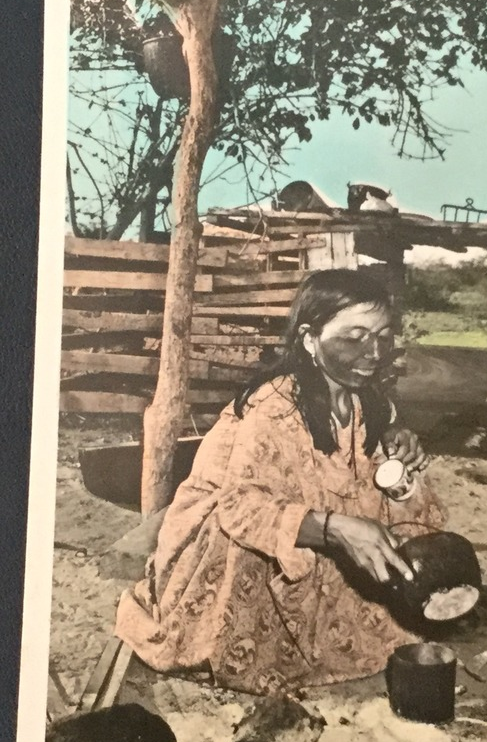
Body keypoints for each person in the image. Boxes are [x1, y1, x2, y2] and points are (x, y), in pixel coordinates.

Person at [116, 269, 447, 695]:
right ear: (310, 339)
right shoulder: (275, 405)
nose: (373, 351)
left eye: (383, 337)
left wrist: (400, 463)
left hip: (300, 524)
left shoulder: (365, 399)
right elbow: (241, 507)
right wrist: (336, 528)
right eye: (355, 336)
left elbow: (360, 481)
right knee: (242, 545)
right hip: (217, 542)